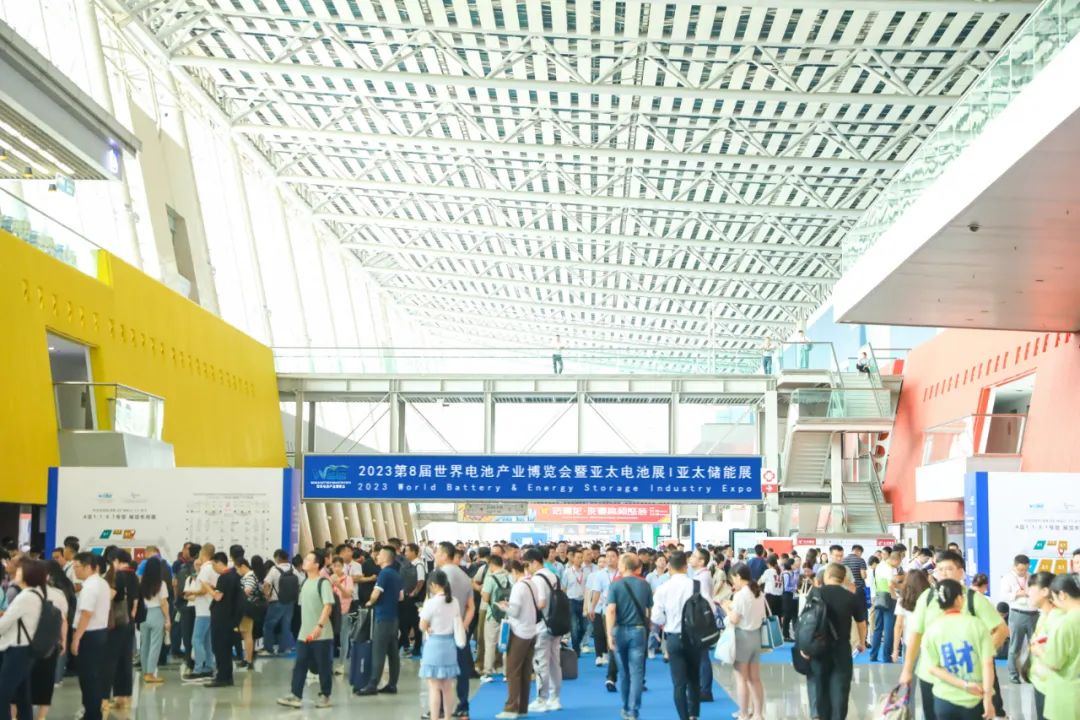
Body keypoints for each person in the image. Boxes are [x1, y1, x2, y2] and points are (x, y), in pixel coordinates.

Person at [899, 551, 1008, 720]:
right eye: (940, 569)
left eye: (949, 569)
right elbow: (915, 635)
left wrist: (983, 653)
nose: (943, 573)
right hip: (932, 674)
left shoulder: (973, 599)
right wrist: (907, 670)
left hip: (968, 675)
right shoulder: (927, 597)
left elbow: (1001, 630)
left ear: (961, 572)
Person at [919, 579, 996, 720]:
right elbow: (988, 664)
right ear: (959, 599)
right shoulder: (977, 625)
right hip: (975, 698)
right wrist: (988, 699)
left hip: (944, 699)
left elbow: (932, 668)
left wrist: (964, 685)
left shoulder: (932, 630)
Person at [802, 563, 868, 720]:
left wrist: (804, 646)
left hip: (819, 648)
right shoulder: (851, 597)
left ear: (827, 576)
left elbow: (806, 621)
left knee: (821, 687)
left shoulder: (816, 593)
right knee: (840, 689)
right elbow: (861, 623)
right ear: (843, 578)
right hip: (842, 649)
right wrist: (862, 642)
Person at [277, 551, 335, 709]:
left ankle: (325, 695)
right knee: (300, 664)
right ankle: (296, 695)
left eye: (309, 559)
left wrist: (319, 626)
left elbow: (328, 606)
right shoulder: (304, 583)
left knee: (323, 666)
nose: (305, 561)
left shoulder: (323, 583)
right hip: (305, 634)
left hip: (321, 634)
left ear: (317, 564)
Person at [651, 551, 699, 720]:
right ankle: (694, 715)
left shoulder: (662, 588)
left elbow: (656, 617)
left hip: (673, 637)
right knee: (694, 678)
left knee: (679, 683)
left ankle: (684, 717)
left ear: (669, 567)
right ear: (686, 567)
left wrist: (667, 621)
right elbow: (710, 610)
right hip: (693, 638)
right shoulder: (696, 585)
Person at [605, 553, 652, 720]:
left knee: (624, 672)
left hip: (619, 631)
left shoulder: (615, 585)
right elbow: (648, 610)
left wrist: (609, 634)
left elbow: (611, 610)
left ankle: (625, 707)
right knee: (637, 672)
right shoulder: (645, 584)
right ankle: (633, 710)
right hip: (639, 630)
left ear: (624, 566)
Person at [0, 560, 49, 718]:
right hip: (25, 649)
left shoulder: (25, 597)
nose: (16, 573)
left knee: (3, 694)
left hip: (17, 650)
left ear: (29, 575)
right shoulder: (37, 593)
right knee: (22, 695)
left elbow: (3, 624)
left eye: (20, 571)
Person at [434, 542, 476, 718]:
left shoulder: (440, 575)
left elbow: (438, 603)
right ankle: (463, 704)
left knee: (441, 670)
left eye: (437, 553)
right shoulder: (464, 576)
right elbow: (471, 607)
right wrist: (463, 625)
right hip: (460, 630)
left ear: (444, 555)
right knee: (462, 669)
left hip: (443, 630)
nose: (435, 556)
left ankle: (440, 707)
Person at [1030, 573, 1080, 720]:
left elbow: (1054, 663)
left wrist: (1038, 651)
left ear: (1062, 595)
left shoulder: (1065, 623)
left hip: (1066, 695)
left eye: (1054, 597)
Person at [721, 564, 767, 720]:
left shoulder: (740, 595)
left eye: (733, 579)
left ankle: (744, 713)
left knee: (741, 679)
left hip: (742, 637)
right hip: (756, 637)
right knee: (755, 678)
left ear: (738, 577)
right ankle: (758, 714)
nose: (733, 583)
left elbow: (734, 619)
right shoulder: (758, 592)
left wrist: (726, 608)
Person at [356, 547, 403, 696]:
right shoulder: (396, 574)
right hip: (393, 618)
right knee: (393, 652)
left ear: (386, 558)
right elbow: (401, 597)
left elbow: (376, 593)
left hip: (382, 618)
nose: (377, 556)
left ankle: (372, 684)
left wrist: (370, 602)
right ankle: (392, 684)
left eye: (380, 554)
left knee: (378, 651)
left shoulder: (384, 573)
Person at [494, 560, 537, 720]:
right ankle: (522, 707)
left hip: (519, 632)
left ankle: (511, 708)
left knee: (513, 671)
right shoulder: (531, 583)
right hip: (531, 630)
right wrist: (510, 605)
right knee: (525, 671)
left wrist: (504, 607)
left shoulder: (518, 587)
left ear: (513, 571)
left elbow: (515, 612)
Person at [71, 552, 110, 720]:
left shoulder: (90, 586)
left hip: (89, 635)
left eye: (77, 567)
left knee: (88, 678)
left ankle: (92, 714)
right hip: (100, 633)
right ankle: (92, 712)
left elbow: (86, 613)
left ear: (88, 567)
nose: (75, 571)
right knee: (94, 676)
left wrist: (76, 638)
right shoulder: (102, 583)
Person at [419, 569, 461, 720]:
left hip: (434, 646)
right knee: (448, 687)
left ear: (434, 585)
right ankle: (448, 717)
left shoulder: (431, 603)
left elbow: (422, 625)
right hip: (449, 645)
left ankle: (435, 717)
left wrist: (427, 625)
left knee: (434, 687)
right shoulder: (454, 601)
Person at [524, 547, 562, 713]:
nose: (527, 568)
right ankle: (555, 698)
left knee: (541, 663)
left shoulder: (538, 579)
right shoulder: (553, 575)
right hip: (556, 624)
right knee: (554, 663)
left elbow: (541, 603)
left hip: (542, 626)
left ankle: (541, 699)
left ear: (534, 562)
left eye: (527, 564)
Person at [104, 549, 138, 708]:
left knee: (111, 660)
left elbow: (109, 597)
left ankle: (105, 697)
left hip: (115, 623)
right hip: (128, 621)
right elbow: (136, 599)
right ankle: (123, 696)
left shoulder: (117, 576)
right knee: (125, 659)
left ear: (115, 560)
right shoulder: (133, 576)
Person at [998, 554, 1036, 684]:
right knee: (1015, 647)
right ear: (1014, 566)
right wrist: (1017, 594)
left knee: (1034, 646)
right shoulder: (1007, 578)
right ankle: (1013, 674)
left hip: (1033, 614)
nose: (1023, 572)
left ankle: (1031, 674)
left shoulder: (1031, 577)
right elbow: (1003, 596)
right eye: (1020, 569)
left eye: (1025, 569)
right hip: (1017, 614)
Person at [1026, 571, 1059, 718]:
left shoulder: (1057, 619)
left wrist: (1037, 650)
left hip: (1052, 687)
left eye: (1031, 588)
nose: (1028, 593)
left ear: (1045, 591)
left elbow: (1057, 658)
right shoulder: (1043, 615)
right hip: (1040, 682)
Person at [207, 552, 242, 688]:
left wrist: (207, 587)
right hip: (230, 618)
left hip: (221, 619)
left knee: (219, 648)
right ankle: (227, 677)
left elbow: (218, 597)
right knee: (226, 649)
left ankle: (222, 677)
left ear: (219, 563)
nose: (213, 568)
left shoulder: (224, 577)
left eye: (213, 565)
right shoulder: (234, 576)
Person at [184, 546, 218, 681]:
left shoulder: (205, 569)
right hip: (210, 609)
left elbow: (204, 589)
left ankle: (198, 668)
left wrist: (192, 592)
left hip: (203, 611)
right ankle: (209, 666)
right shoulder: (214, 568)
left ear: (202, 554)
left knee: (196, 640)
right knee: (207, 642)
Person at [138, 556, 171, 684]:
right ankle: (151, 673)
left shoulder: (141, 582)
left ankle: (145, 671)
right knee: (155, 645)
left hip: (143, 614)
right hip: (157, 613)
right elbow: (163, 603)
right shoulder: (161, 584)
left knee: (144, 644)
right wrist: (167, 619)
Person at [688, 548, 715, 703]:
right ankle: (702, 688)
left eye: (694, 556)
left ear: (701, 561)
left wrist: (704, 619)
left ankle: (705, 690)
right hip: (701, 620)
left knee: (703, 656)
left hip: (700, 621)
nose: (691, 558)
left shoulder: (702, 578)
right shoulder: (700, 575)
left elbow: (706, 600)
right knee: (701, 656)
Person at [480, 555, 511, 681]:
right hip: (507, 615)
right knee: (506, 644)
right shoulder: (509, 577)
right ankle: (507, 672)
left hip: (492, 615)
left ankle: (488, 672)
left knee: (490, 644)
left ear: (491, 565)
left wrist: (482, 592)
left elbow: (486, 598)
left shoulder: (490, 578)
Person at [262, 549, 298, 656]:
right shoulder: (292, 568)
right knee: (286, 626)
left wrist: (267, 596)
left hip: (277, 602)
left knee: (268, 625)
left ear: (278, 557)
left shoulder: (274, 569)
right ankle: (283, 649)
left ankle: (268, 649)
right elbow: (300, 582)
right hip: (290, 602)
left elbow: (266, 584)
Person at [893, 569, 931, 663]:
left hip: (909, 641)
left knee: (909, 669)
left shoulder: (903, 600)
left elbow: (899, 625)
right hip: (929, 642)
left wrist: (895, 649)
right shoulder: (930, 598)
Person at [870, 550, 902, 662]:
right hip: (888, 600)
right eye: (899, 562)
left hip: (879, 598)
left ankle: (873, 655)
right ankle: (886, 656)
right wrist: (895, 597)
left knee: (878, 628)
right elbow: (890, 585)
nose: (898, 565)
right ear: (895, 560)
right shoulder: (888, 569)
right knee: (889, 629)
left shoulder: (879, 565)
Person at [586, 550, 616, 668]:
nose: (610, 559)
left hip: (618, 608)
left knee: (614, 633)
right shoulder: (600, 574)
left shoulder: (621, 572)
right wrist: (592, 607)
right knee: (599, 632)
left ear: (618, 558)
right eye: (608, 556)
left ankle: (611, 654)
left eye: (613, 556)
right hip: (602, 608)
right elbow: (596, 592)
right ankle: (600, 655)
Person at [400, 543, 427, 659]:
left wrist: (414, 593)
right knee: (408, 622)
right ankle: (409, 645)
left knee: (416, 624)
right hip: (407, 598)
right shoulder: (409, 564)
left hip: (415, 600)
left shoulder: (418, 564)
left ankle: (417, 648)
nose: (405, 553)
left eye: (407, 551)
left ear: (413, 552)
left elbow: (421, 581)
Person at [563, 547, 591, 656]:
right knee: (574, 627)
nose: (580, 559)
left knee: (584, 626)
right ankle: (576, 649)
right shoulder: (567, 572)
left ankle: (577, 643)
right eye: (578, 557)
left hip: (584, 601)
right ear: (573, 558)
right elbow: (563, 588)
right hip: (571, 601)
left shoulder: (587, 572)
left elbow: (589, 587)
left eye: (581, 557)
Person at [235, 557, 258, 670]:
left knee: (247, 634)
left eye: (238, 569)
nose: (237, 571)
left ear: (243, 566)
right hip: (246, 608)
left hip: (247, 609)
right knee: (246, 634)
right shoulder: (248, 576)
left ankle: (249, 660)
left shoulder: (250, 577)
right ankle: (247, 658)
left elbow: (246, 592)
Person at [645, 554, 669, 659]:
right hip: (654, 605)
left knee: (667, 629)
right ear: (655, 562)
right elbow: (646, 590)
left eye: (664, 560)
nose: (662, 562)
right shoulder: (650, 576)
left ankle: (666, 650)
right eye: (660, 560)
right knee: (654, 629)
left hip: (667, 605)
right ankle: (651, 648)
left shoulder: (669, 575)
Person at [780, 558, 799, 642]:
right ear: (791, 565)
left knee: (790, 615)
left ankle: (787, 635)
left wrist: (796, 573)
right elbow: (786, 587)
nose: (796, 565)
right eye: (794, 564)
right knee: (787, 616)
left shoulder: (791, 573)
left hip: (790, 595)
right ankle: (785, 635)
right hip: (786, 595)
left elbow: (794, 583)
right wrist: (794, 589)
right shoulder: (786, 574)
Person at [761, 555, 783, 623]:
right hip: (779, 598)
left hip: (770, 598)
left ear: (768, 564)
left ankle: (771, 630)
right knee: (777, 619)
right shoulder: (780, 571)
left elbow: (760, 581)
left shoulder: (768, 571)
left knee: (769, 619)